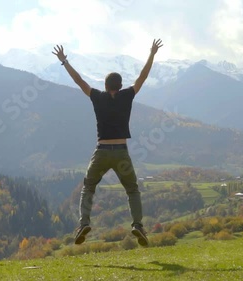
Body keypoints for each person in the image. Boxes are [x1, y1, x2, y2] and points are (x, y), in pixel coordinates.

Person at [52, 39, 163, 246]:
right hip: (121, 151)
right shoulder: (127, 96)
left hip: (102, 151)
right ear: (120, 86)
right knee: (132, 189)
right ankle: (138, 225)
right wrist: (152, 54)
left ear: (105, 85)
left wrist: (64, 61)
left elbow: (79, 81)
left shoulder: (97, 97)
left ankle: (84, 223)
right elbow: (143, 76)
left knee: (88, 187)